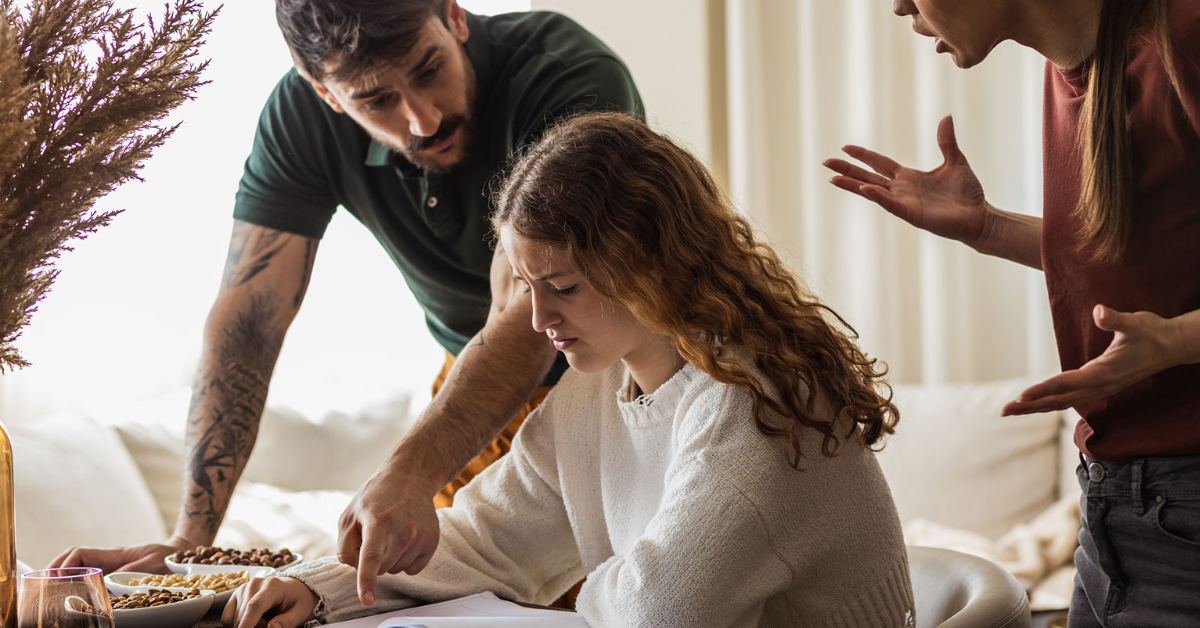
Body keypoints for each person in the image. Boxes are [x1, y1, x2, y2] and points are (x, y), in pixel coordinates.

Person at [218, 112, 915, 628]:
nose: (538, 318)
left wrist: (592, 581)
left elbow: (661, 611)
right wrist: (322, 586)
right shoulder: (597, 391)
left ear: (648, 263)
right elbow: (489, 537)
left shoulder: (751, 409)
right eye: (526, 286)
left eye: (564, 286)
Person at [49, 0, 642, 602]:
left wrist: (407, 471)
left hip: (616, 381)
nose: (422, 118)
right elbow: (250, 323)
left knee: (610, 603)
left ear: (454, 16)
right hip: (474, 388)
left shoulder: (567, 76)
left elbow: (526, 310)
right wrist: (189, 542)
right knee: (416, 598)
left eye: (429, 68)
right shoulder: (299, 120)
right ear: (325, 94)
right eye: (376, 100)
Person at [824, 0, 1200, 625]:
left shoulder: (1184, 36)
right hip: (1113, 507)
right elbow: (1133, 249)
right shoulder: (1071, 71)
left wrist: (1176, 341)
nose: (897, 6)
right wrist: (988, 228)